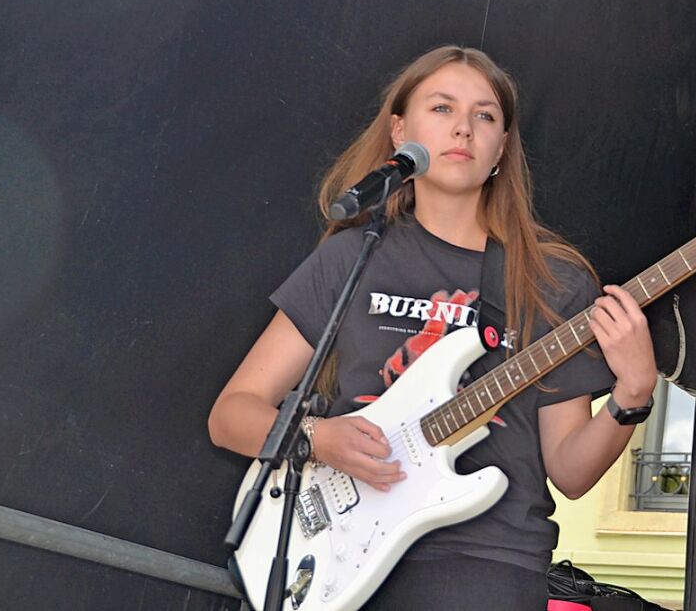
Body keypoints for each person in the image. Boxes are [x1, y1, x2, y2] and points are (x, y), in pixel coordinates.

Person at [208, 45, 658, 609]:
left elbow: (569, 470)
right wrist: (319, 440)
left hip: (487, 563)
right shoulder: (352, 258)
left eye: (485, 116)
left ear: (500, 151)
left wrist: (632, 397)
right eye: (442, 108)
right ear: (401, 133)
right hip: (341, 554)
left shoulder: (551, 281)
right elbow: (232, 415)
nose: (464, 129)